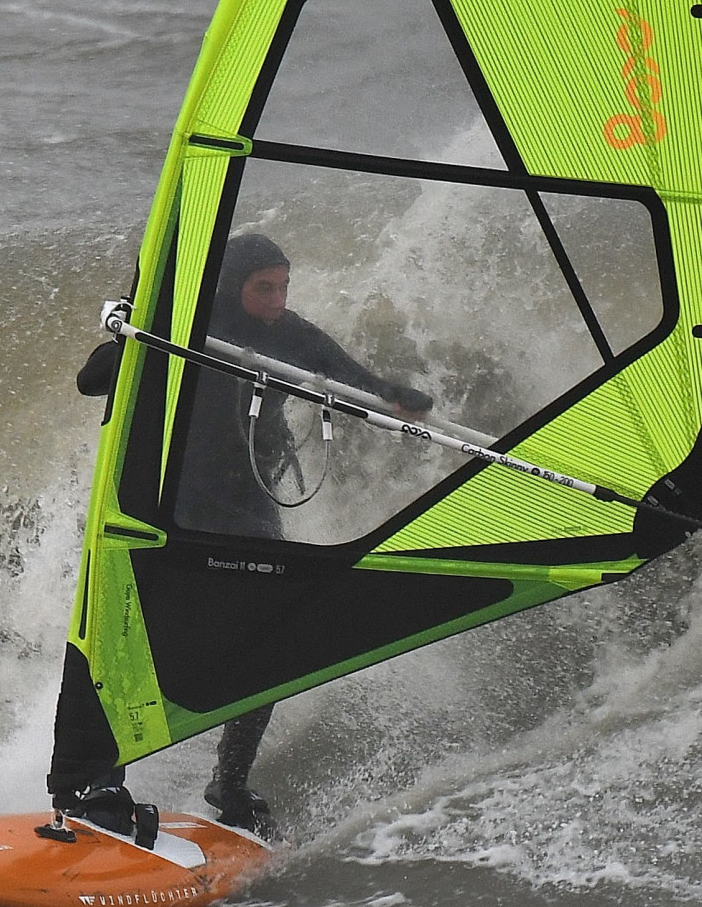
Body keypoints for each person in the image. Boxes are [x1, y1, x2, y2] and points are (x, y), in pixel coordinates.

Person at [47, 232, 431, 846]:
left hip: (250, 502)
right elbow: (90, 381)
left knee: (265, 636)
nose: (277, 301)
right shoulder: (186, 324)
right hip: (174, 504)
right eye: (264, 289)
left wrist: (393, 394)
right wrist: (135, 329)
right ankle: (95, 782)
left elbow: (349, 376)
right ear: (234, 287)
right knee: (129, 635)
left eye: (283, 287)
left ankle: (230, 783)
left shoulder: (287, 333)